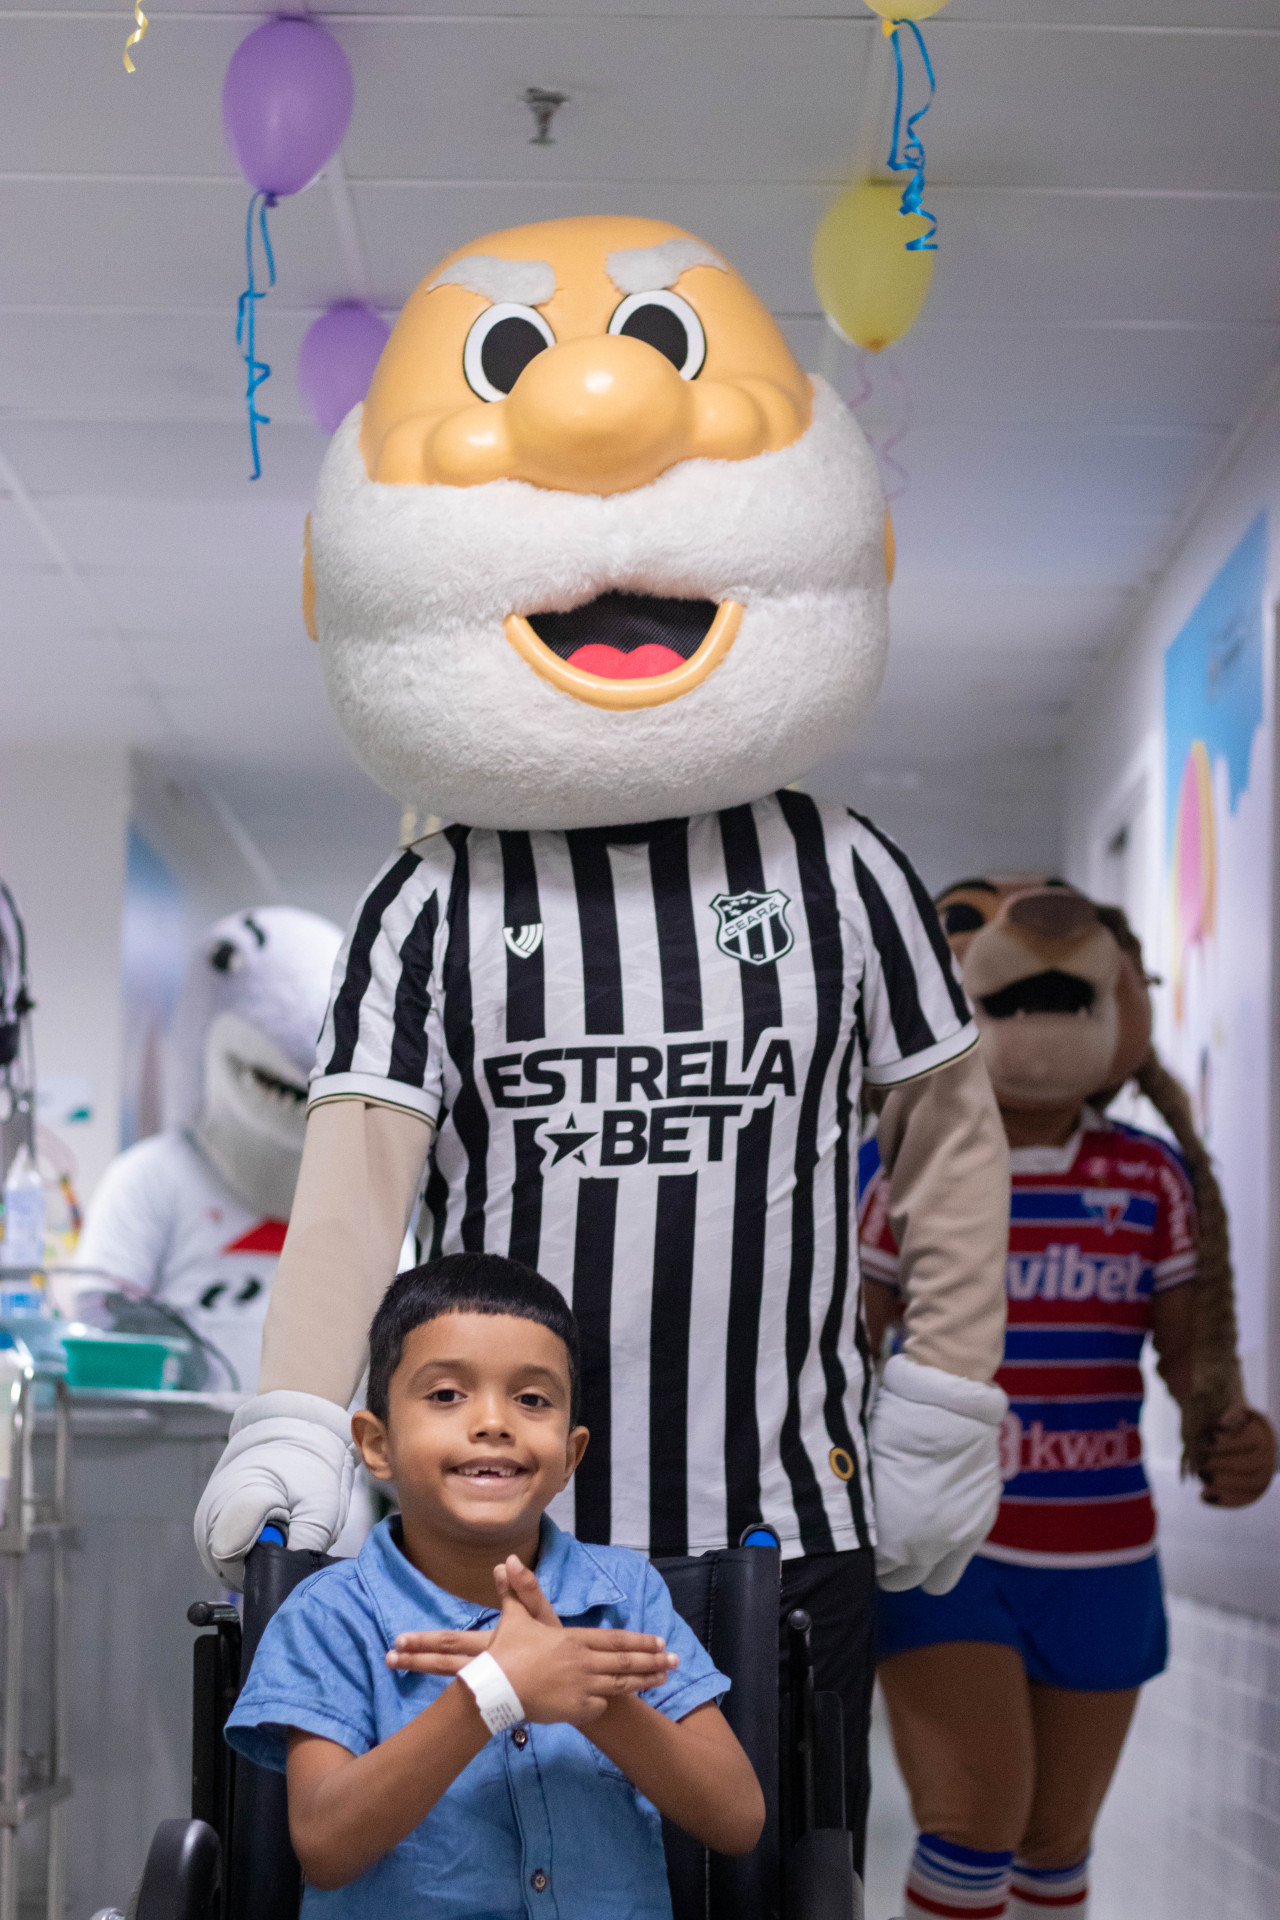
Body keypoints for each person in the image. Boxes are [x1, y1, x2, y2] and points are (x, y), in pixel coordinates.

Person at [197, 216, 1016, 1870]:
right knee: (505, 1870)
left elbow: (951, 1144)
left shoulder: (839, 868)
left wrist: (944, 1389)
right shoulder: (433, 897)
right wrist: (296, 1416)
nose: (592, 413)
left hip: (780, 1528)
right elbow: (358, 1183)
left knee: (779, 1876)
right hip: (485, 1539)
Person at [858, 880, 1276, 1920]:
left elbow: (1195, 1364)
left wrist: (1232, 1435)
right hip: (943, 1549)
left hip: (1103, 1554)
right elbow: (842, 1347)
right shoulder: (898, 1163)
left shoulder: (1151, 1179)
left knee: (1053, 1845)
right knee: (972, 1817)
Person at [225, 1253, 764, 1918]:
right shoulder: (329, 1618)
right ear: (376, 1444)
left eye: (532, 1399)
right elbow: (326, 1847)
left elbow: (737, 1820)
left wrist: (592, 1699)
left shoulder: (628, 1596)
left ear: (570, 1456)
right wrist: (492, 1694)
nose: (492, 1422)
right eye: (446, 1395)